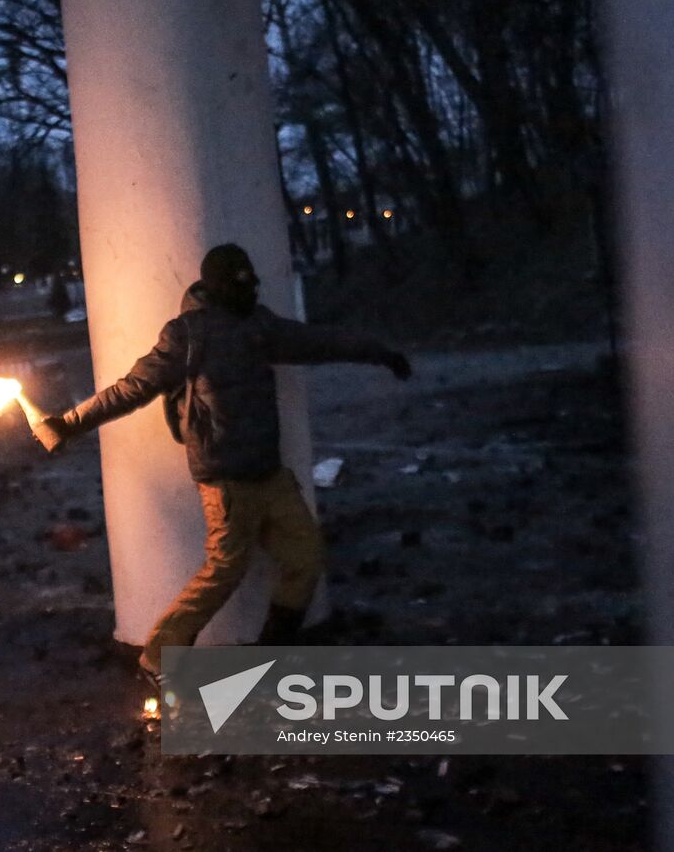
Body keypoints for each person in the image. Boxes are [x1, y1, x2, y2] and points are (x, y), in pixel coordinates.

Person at [40, 244, 411, 686]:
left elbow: (321, 341)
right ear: (217, 286)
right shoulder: (187, 336)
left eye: (251, 282)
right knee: (224, 571)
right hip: (226, 483)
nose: (249, 290)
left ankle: (270, 660)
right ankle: (158, 657)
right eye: (239, 283)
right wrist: (68, 425)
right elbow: (131, 390)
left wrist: (380, 352)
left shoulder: (261, 326)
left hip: (270, 476)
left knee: (305, 559)